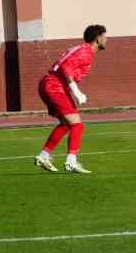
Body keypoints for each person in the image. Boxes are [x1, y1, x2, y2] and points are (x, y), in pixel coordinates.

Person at [34, 24, 108, 174]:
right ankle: (71, 161)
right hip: (54, 86)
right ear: (98, 38)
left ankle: (43, 156)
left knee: (66, 124)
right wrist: (77, 92)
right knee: (77, 125)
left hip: (50, 84)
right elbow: (66, 67)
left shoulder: (83, 50)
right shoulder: (86, 52)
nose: (106, 39)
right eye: (104, 36)